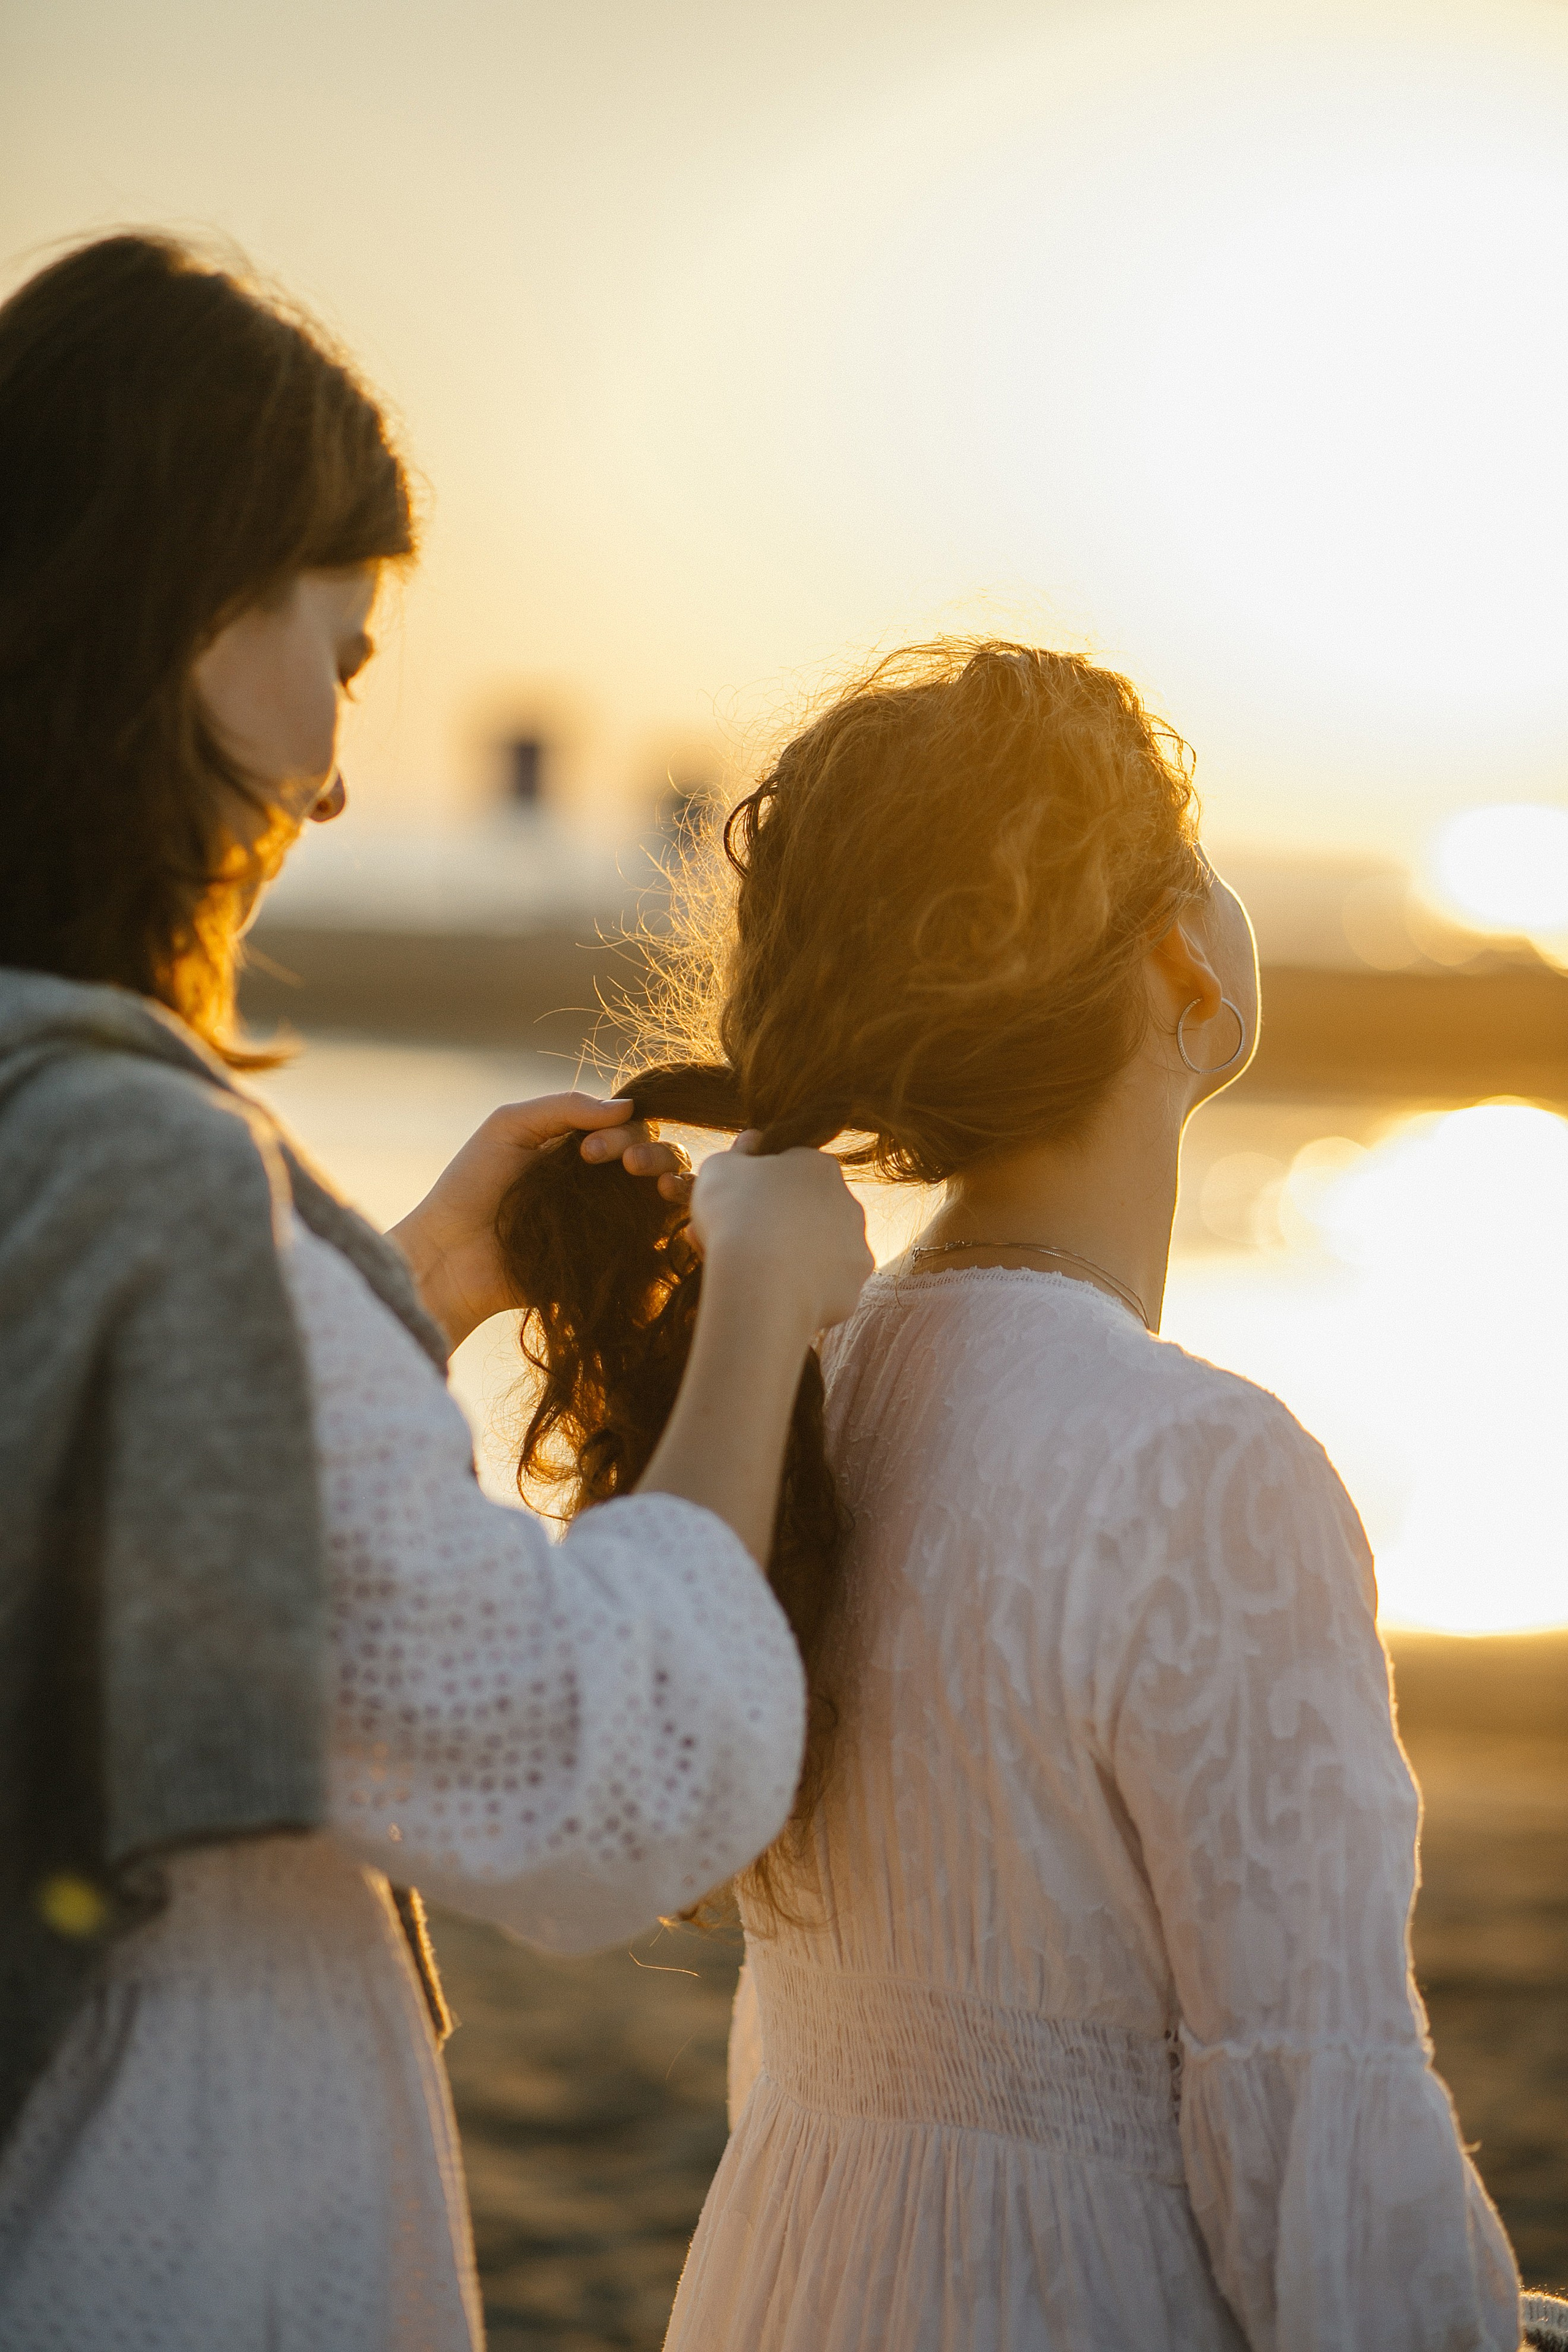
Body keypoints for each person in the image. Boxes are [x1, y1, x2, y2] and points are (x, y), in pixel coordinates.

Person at [0, 233, 870, 2351]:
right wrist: (760, 1307)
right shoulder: (145, 1173)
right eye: (345, 652)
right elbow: (598, 1786)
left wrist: (404, 1286)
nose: (335, 769)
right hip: (155, 2218)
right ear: (189, 619)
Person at [502, 642, 1528, 2351]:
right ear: (1177, 966)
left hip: (793, 2286)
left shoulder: (794, 1400)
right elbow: (1326, 2137)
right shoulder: (1206, 1471)